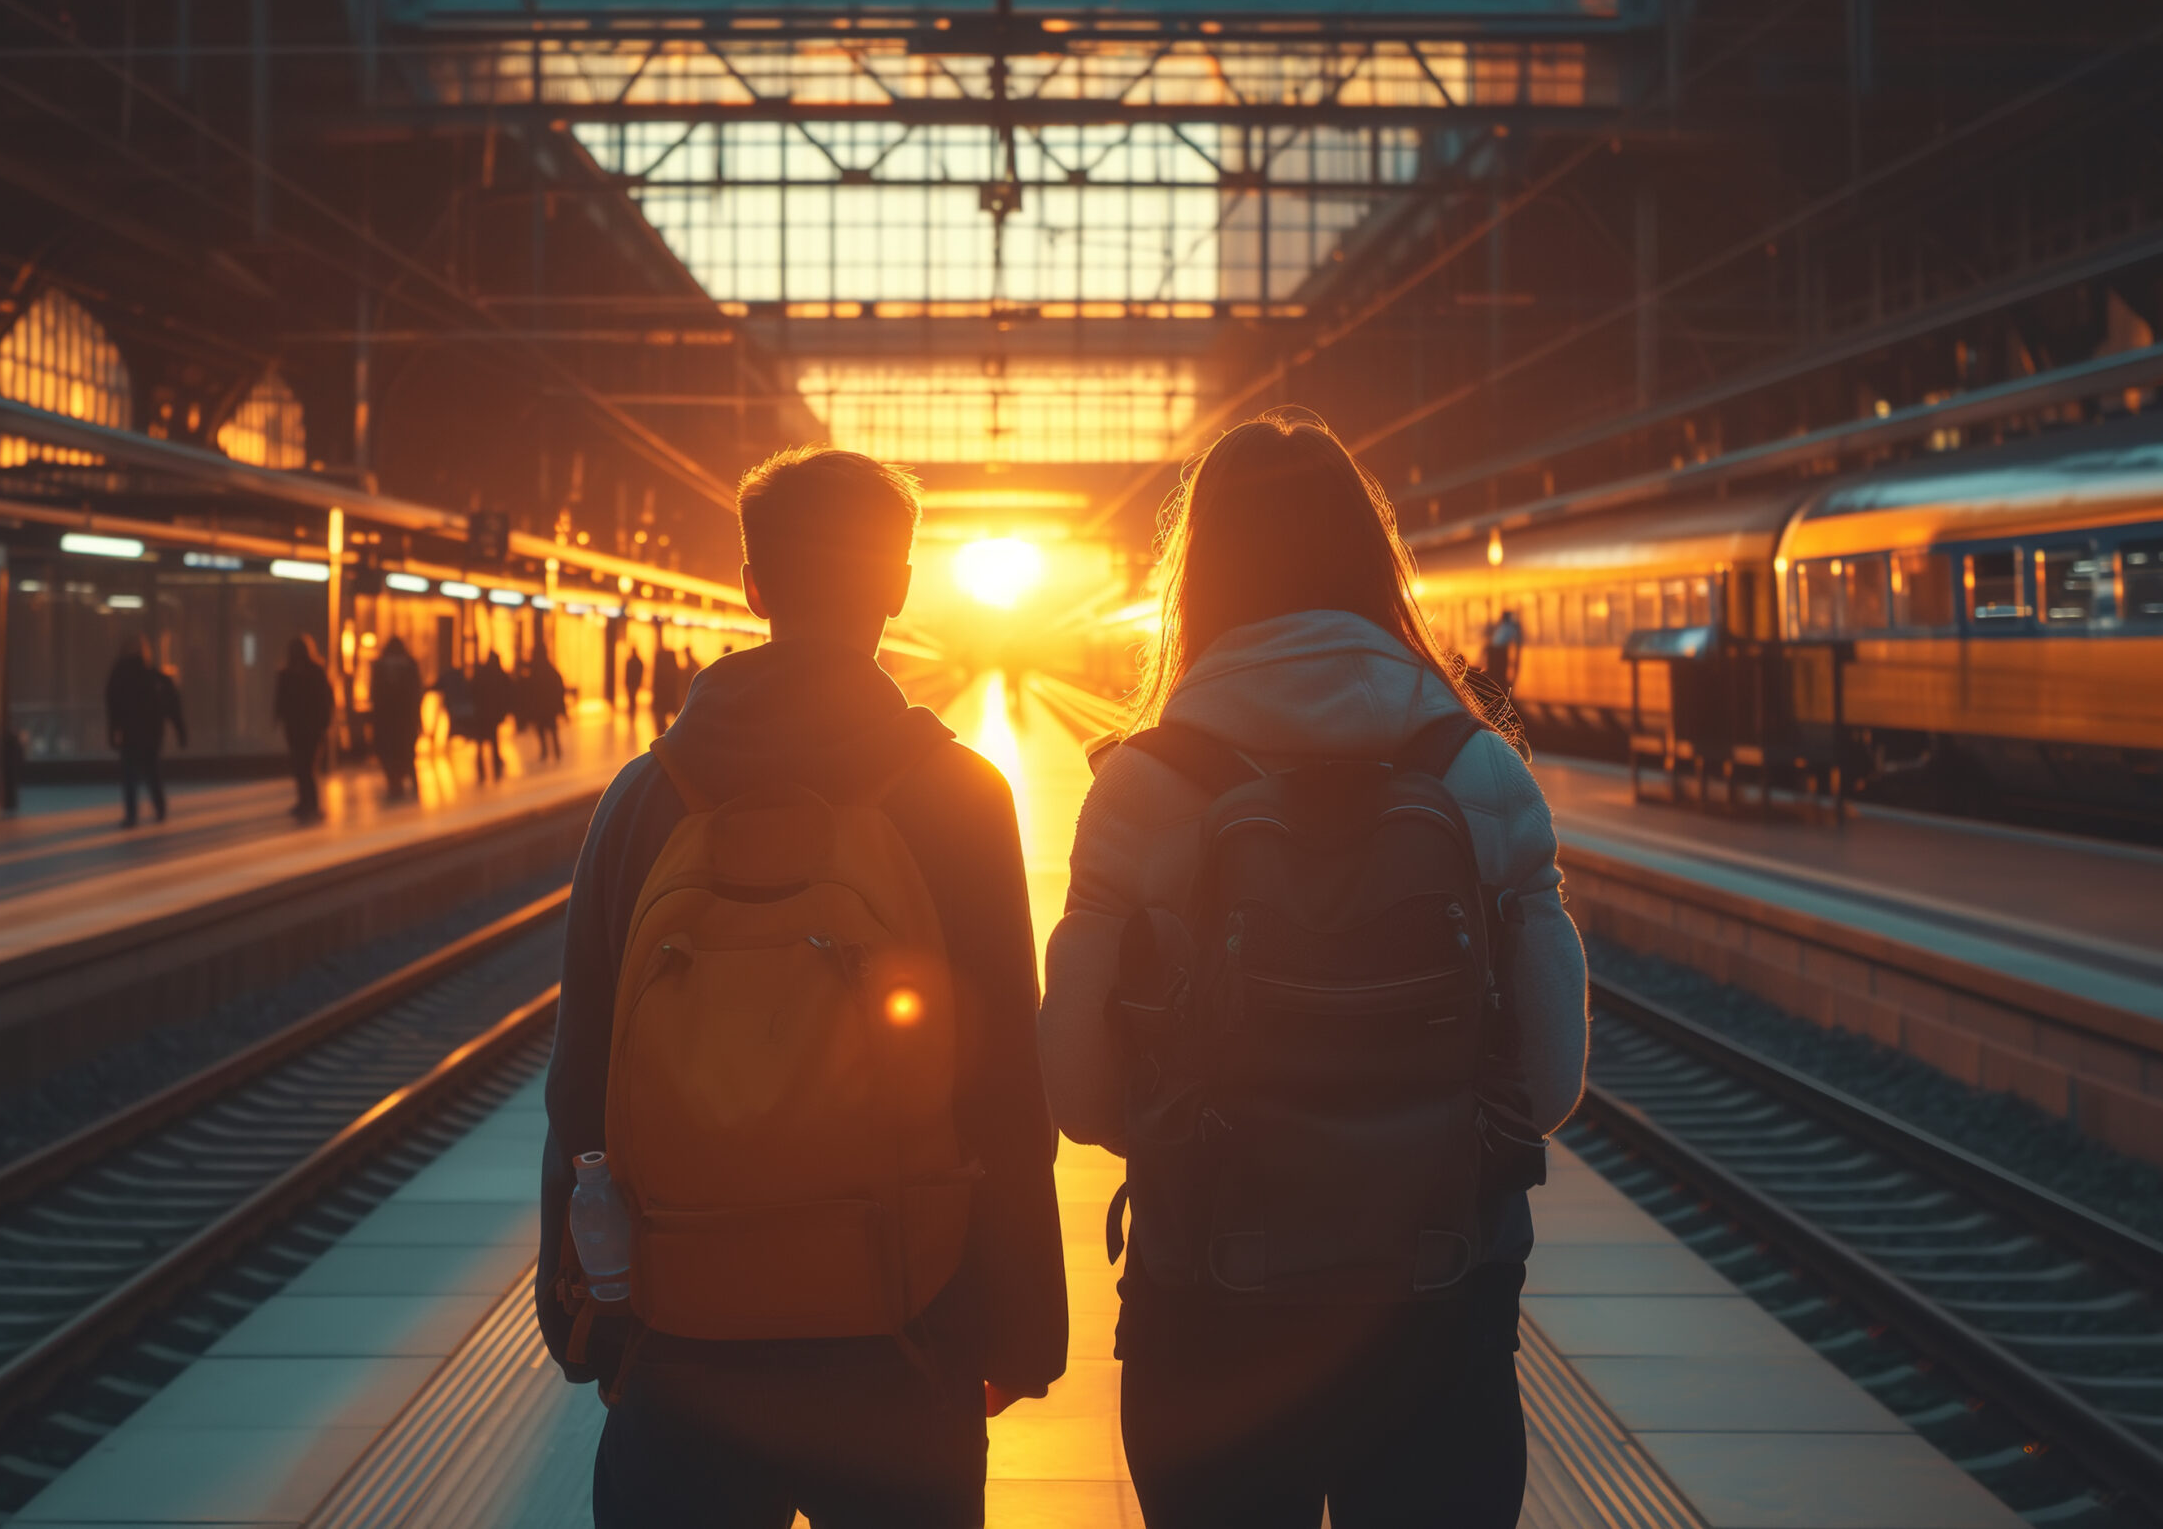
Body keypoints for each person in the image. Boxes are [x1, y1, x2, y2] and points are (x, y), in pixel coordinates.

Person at [1039, 409, 1589, 1529]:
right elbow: (1548, 1082)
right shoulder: (1475, 769)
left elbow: (1079, 1098)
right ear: (1369, 561)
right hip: (1439, 1300)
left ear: (1202, 573)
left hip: (1211, 1312)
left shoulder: (1146, 787)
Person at [541, 446, 1067, 1529]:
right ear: (896, 585)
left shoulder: (642, 801)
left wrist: (585, 1319)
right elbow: (1008, 1085)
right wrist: (1017, 1326)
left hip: (684, 1341)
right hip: (901, 1338)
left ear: (753, 587)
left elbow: (580, 1088)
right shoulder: (958, 798)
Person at [104, 635, 185, 828]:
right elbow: (171, 704)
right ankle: (160, 809)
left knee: (130, 774)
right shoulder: (155, 677)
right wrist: (180, 730)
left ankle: (132, 815)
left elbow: (112, 707)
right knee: (152, 771)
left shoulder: (119, 676)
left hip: (131, 733)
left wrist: (114, 732)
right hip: (151, 733)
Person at [274, 635, 335, 819]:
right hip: (306, 727)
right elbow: (327, 700)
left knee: (304, 766)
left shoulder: (293, 674)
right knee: (303, 766)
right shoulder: (312, 672)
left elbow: (281, 701)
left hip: (304, 727)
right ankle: (307, 802)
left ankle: (309, 803)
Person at [371, 635, 424, 798]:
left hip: (385, 719)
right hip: (406, 718)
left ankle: (394, 783)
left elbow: (374, 693)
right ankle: (411, 781)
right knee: (407, 751)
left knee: (389, 752)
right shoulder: (410, 665)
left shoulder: (379, 667)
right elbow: (417, 692)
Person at [523, 646, 569, 763]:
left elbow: (529, 692)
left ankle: (547, 751)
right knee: (551, 730)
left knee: (544, 730)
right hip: (548, 708)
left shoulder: (535, 672)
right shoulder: (550, 671)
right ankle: (554, 751)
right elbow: (558, 690)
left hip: (542, 708)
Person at [473, 650, 514, 780]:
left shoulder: (481, 673)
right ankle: (495, 766)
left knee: (480, 742)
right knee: (493, 741)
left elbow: (473, 690)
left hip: (481, 714)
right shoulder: (499, 674)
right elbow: (508, 691)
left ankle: (481, 769)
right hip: (492, 714)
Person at [1482, 605, 1524, 694]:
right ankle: (1497, 690)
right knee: (1497, 675)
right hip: (1498, 651)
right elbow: (1517, 644)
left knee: (1496, 675)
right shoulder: (1510, 626)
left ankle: (1497, 690)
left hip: (1497, 651)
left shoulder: (1505, 626)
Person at [648, 645, 681, 734]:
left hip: (661, 701)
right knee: (675, 722)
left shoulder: (659, 671)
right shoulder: (674, 670)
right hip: (670, 699)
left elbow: (656, 686)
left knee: (660, 726)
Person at [621, 643, 646, 722]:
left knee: (632, 696)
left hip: (632, 682)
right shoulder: (637, 661)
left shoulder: (632, 661)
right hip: (634, 682)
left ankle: (632, 710)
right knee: (632, 696)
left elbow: (628, 672)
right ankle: (632, 710)